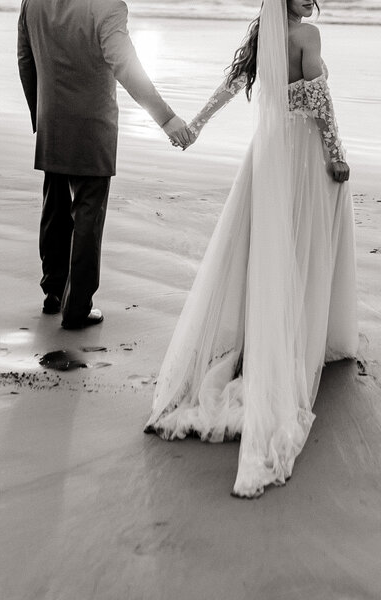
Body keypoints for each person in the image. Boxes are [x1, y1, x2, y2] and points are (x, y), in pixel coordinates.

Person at [145, 0, 358, 498]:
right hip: (302, 153)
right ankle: (299, 337)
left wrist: (195, 125)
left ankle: (265, 338)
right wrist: (338, 158)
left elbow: (232, 86)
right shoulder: (306, 37)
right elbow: (320, 103)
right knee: (302, 245)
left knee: (263, 247)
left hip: (266, 154)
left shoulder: (266, 33)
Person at [17, 0, 191, 329]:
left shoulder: (32, 1)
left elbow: (25, 59)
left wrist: (39, 114)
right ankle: (77, 308)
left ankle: (53, 291)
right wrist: (166, 118)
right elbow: (124, 65)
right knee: (87, 214)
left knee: (54, 206)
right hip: (91, 125)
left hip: (51, 120)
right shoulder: (107, 4)